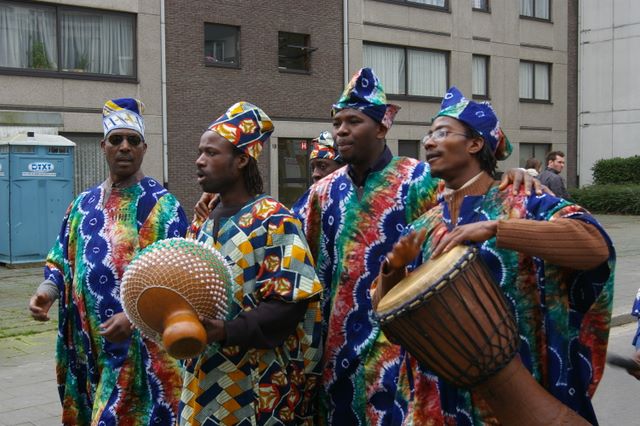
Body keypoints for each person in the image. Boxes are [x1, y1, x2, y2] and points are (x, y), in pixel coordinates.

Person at [292, 68, 541, 424]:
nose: (341, 130)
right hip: (338, 351)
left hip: (406, 345)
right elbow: (286, 241)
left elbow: (476, 194)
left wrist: (511, 178)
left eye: (353, 121)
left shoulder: (420, 179)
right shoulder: (322, 191)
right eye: (337, 123)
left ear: (381, 128)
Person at [373, 87, 615, 424]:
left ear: (475, 144)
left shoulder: (525, 201)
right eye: (429, 134)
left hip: (519, 399)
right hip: (438, 402)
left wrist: (498, 228)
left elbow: (595, 245)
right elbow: (389, 319)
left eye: (442, 133)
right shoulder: (424, 226)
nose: (428, 142)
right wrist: (392, 271)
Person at [28, 98, 189, 425]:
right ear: (104, 146)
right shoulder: (82, 204)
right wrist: (47, 291)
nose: (124, 147)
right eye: (116, 139)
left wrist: (134, 318)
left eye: (133, 140)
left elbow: (175, 277)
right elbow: (61, 257)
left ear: (144, 148)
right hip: (87, 349)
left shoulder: (162, 206)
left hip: (139, 352)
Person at [180, 101, 323, 425]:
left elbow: (290, 304)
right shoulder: (201, 225)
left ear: (242, 159)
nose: (200, 160)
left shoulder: (273, 220)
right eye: (200, 152)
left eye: (211, 153)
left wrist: (227, 330)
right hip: (202, 383)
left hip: (256, 386)